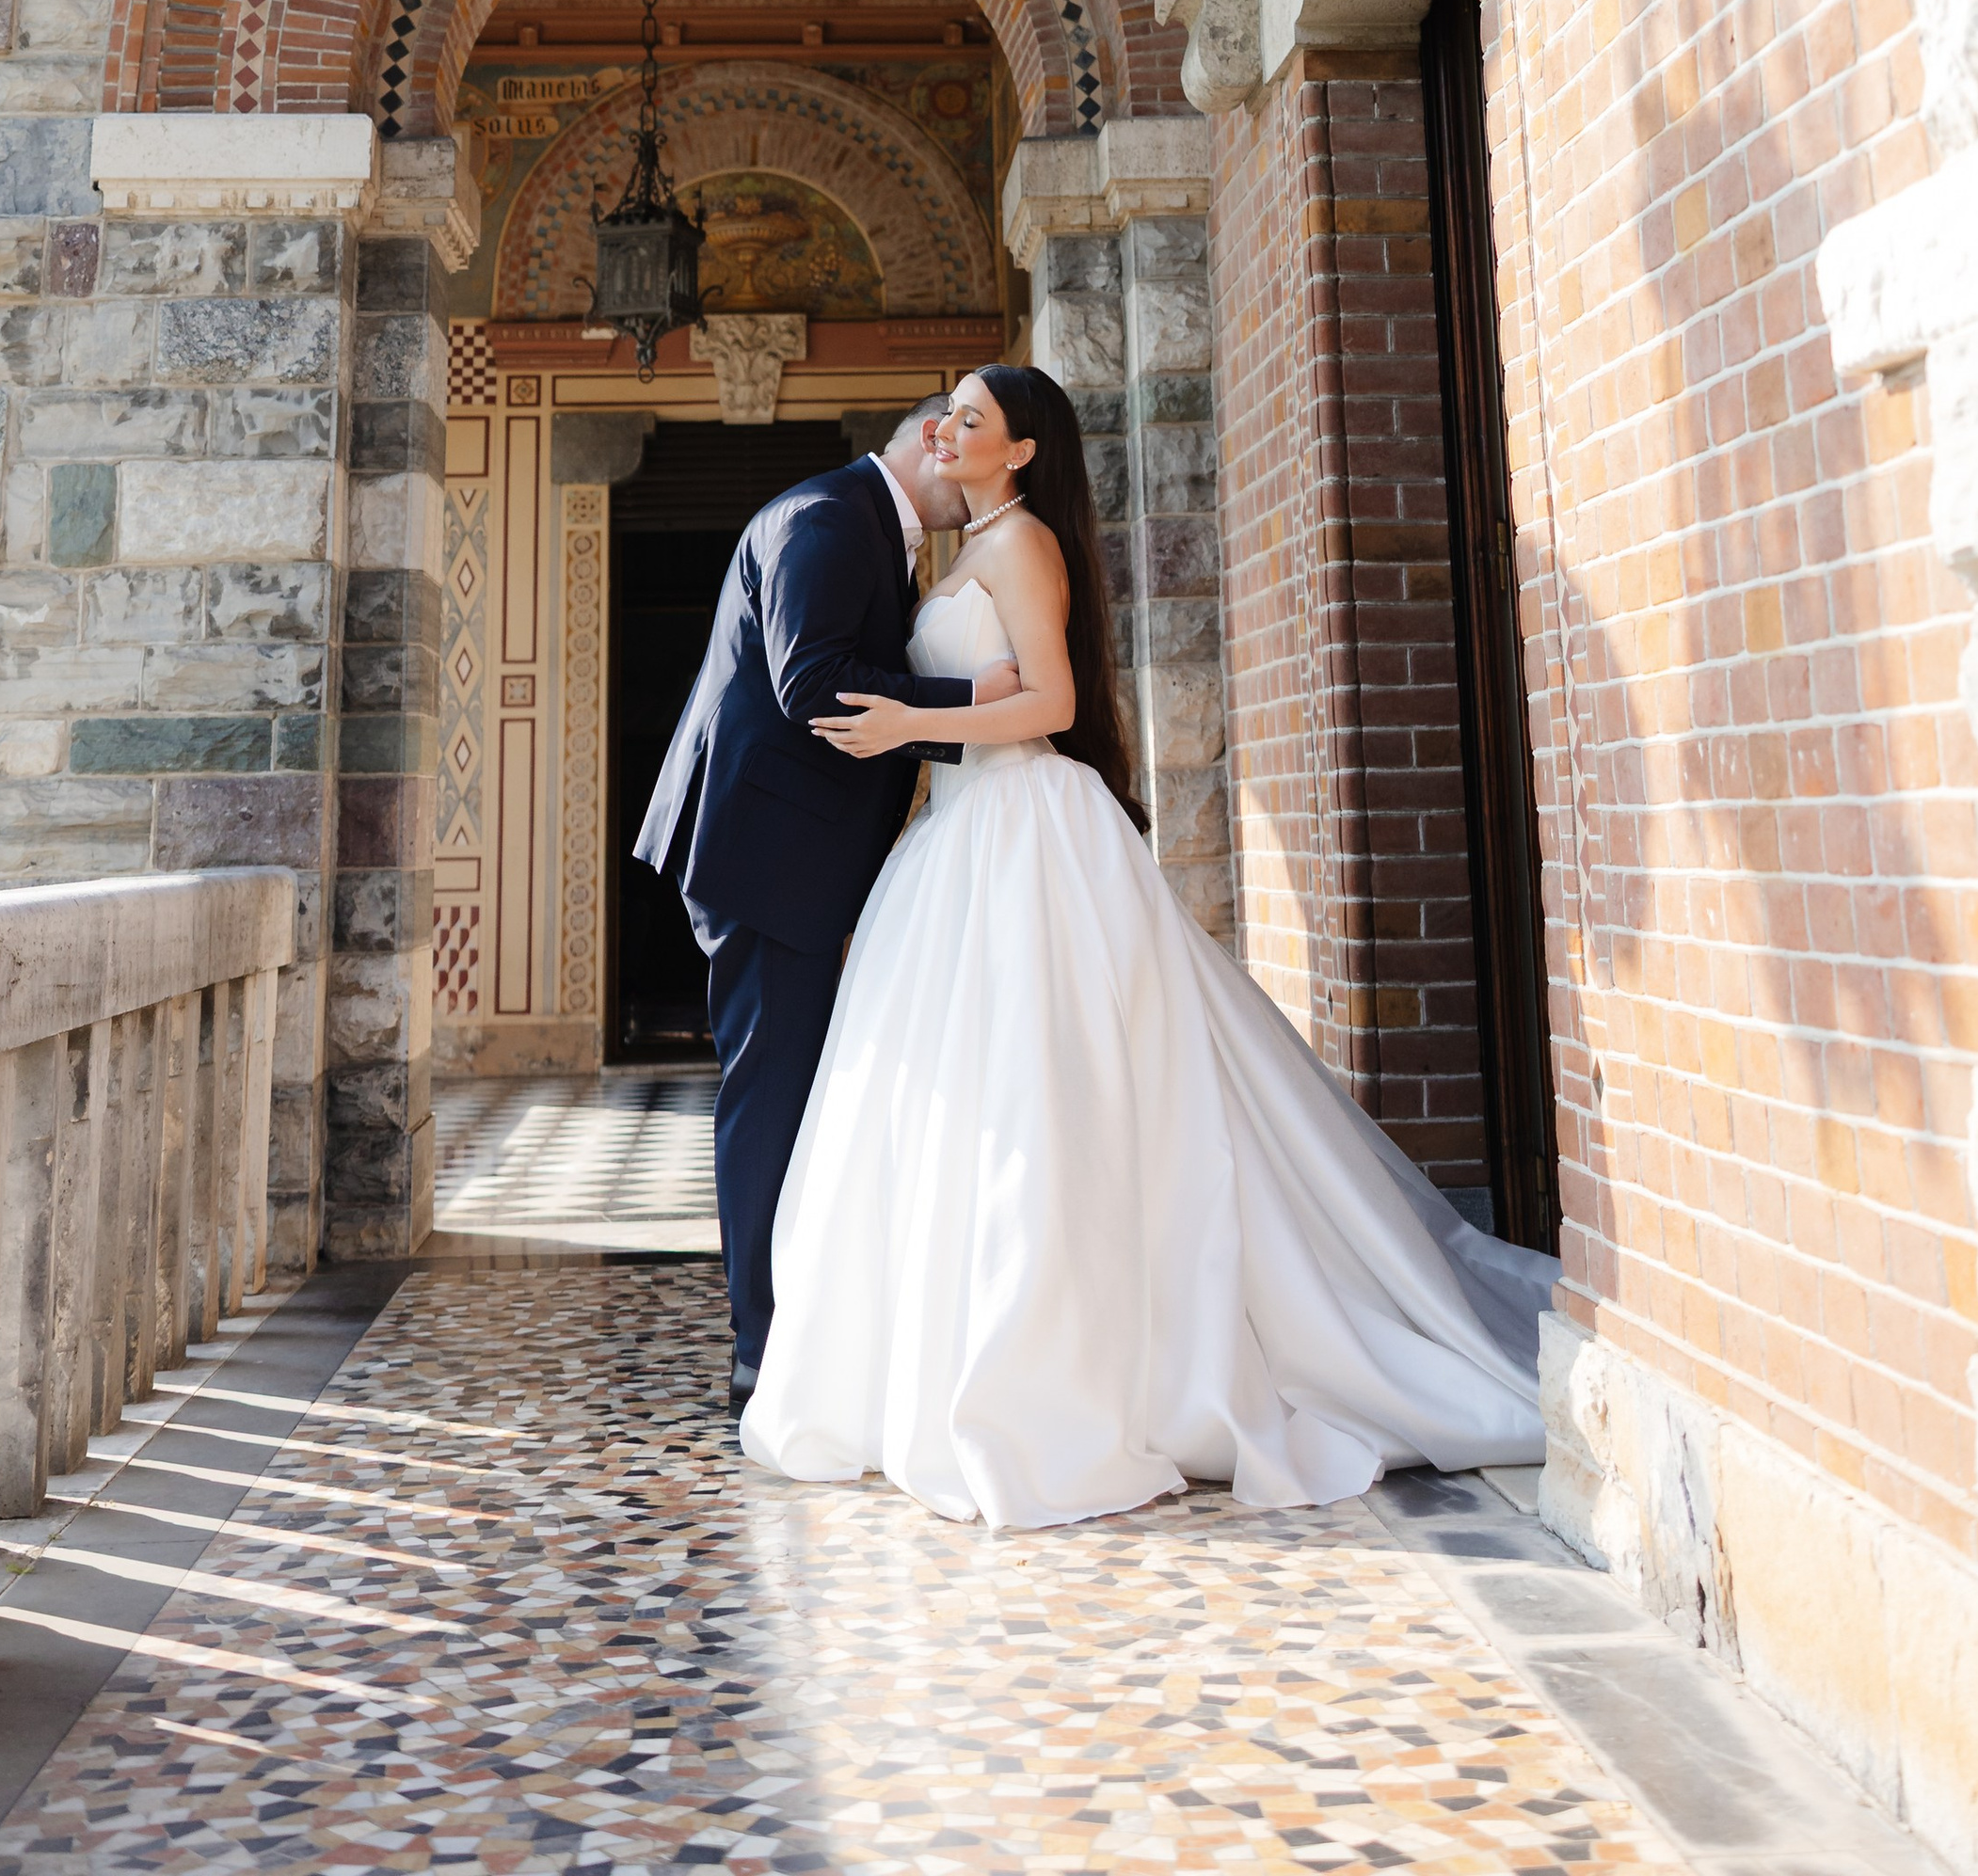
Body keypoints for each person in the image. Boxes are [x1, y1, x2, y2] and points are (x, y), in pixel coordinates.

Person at [740, 361, 1555, 1532]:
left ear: (1020, 451)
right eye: (949, 414)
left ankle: (1082, 1373)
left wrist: (916, 720)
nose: (951, 428)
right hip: (959, 841)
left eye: (976, 418)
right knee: (963, 1106)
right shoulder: (959, 552)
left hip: (1024, 831)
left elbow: (1055, 704)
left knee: (1044, 1101)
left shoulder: (1022, 546)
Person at [632, 396, 1008, 1408]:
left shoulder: (861, 527)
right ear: (933, 441)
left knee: (800, 1090)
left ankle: (798, 1319)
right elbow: (813, 684)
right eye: (966, 463)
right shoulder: (832, 518)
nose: (973, 496)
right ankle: (761, 1344)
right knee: (771, 1092)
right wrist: (986, 710)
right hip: (764, 855)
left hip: (791, 855)